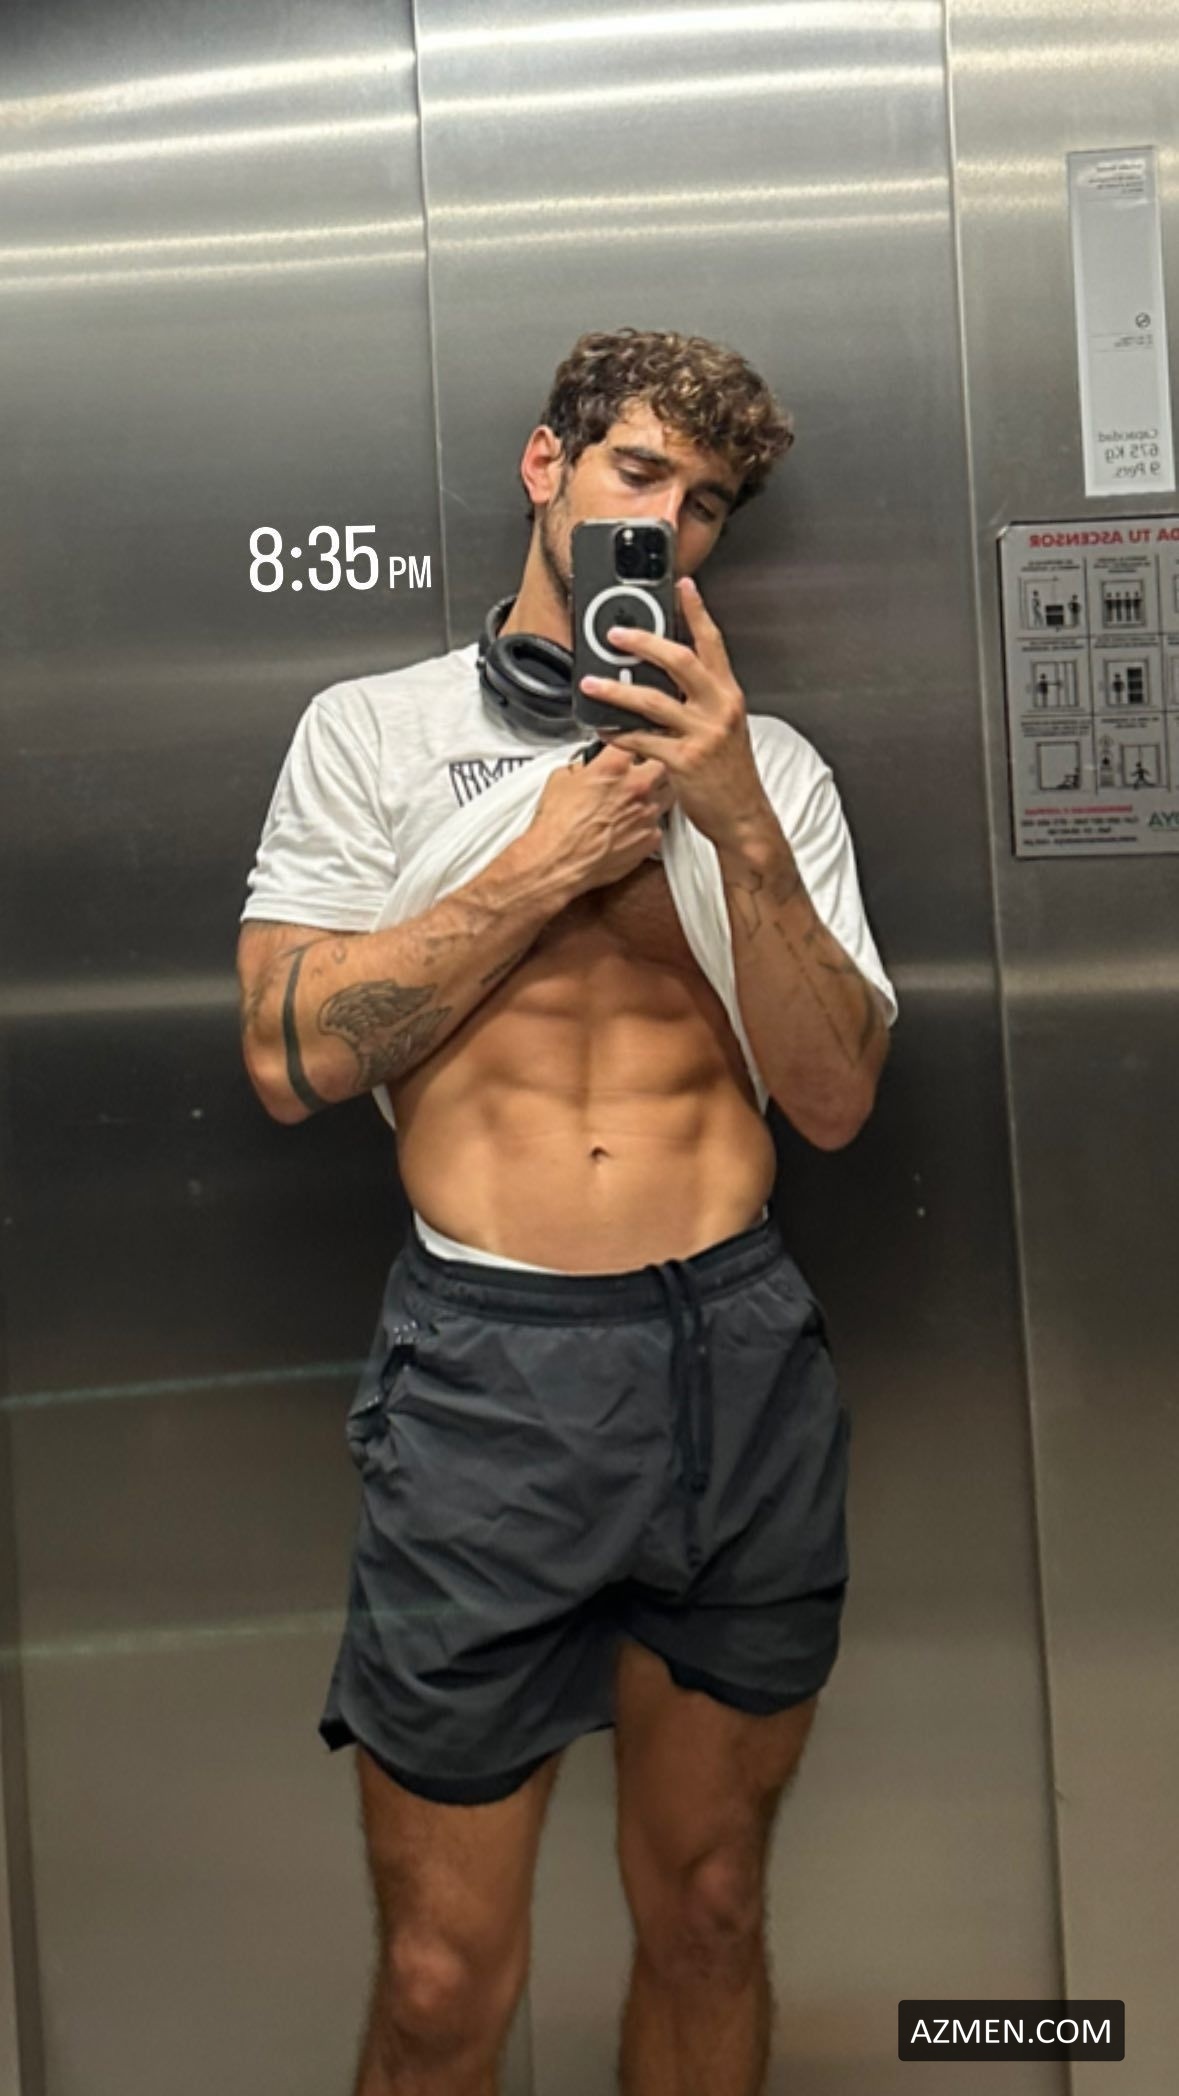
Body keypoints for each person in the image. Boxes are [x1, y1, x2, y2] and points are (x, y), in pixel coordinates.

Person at [236, 327, 897, 2096]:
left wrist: (730, 818)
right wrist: (545, 863)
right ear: (549, 468)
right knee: (442, 1978)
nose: (666, 525)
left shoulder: (775, 773)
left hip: (735, 1358)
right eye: (637, 473)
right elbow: (289, 1057)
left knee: (714, 1911)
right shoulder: (373, 734)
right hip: (489, 1372)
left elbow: (837, 1098)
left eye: (706, 504)